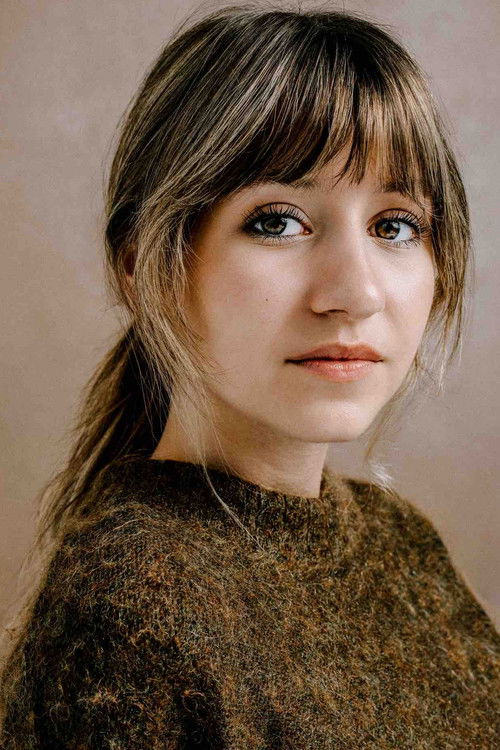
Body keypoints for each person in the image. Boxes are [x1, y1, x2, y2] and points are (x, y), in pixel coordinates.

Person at [1, 3, 499, 748]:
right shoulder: (131, 607)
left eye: (395, 226)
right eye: (277, 221)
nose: (356, 293)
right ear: (145, 268)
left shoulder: (404, 546)